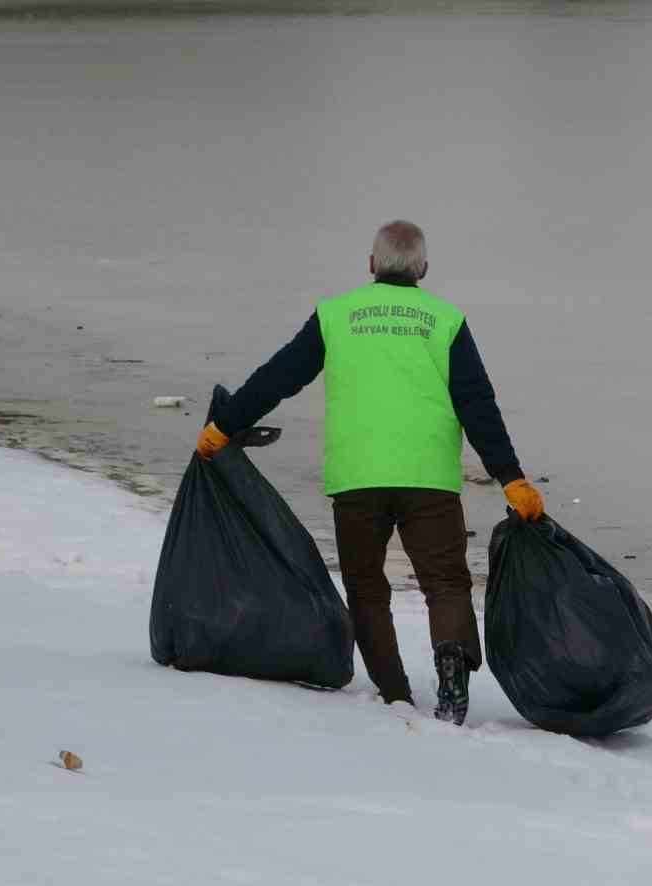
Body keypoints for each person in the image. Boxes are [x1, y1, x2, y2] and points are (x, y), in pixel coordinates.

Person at [194, 220, 544, 725]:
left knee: (365, 583)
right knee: (444, 581)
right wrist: (510, 477)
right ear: (423, 267)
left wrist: (224, 426)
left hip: (357, 476)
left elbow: (280, 377)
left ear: (372, 265)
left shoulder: (336, 315)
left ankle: (395, 693)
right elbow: (477, 406)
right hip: (428, 477)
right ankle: (451, 676)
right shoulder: (445, 320)